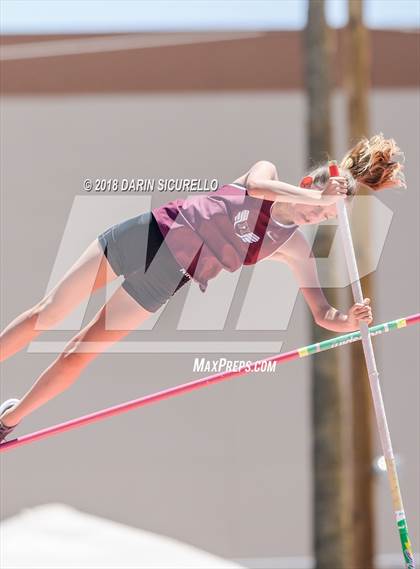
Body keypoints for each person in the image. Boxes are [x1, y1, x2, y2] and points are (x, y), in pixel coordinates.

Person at [0, 133, 405, 443]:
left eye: (322, 217)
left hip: (166, 277)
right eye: (314, 208)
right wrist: (318, 196)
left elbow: (322, 314)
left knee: (77, 354)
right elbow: (260, 190)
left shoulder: (293, 247)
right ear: (305, 186)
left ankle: (8, 420)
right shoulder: (266, 173)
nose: (311, 215)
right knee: (49, 313)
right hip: (147, 235)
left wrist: (348, 321)